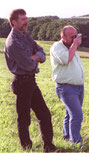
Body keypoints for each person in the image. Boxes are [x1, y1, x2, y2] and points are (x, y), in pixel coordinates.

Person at [4, 9, 56, 151]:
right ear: (14, 22)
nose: (26, 21)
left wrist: (36, 57)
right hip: (22, 82)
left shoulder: (25, 36)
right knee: (24, 119)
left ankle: (49, 148)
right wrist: (34, 59)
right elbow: (27, 65)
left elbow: (41, 52)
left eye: (26, 18)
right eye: (22, 19)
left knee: (44, 115)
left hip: (30, 81)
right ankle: (27, 148)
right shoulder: (13, 42)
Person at [50, 25, 84, 146]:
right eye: (72, 37)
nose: (75, 39)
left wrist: (73, 45)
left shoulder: (70, 47)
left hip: (77, 87)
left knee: (70, 114)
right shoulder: (57, 47)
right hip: (66, 87)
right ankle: (75, 142)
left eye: (76, 36)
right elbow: (66, 59)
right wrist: (75, 45)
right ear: (63, 37)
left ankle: (67, 137)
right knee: (77, 115)